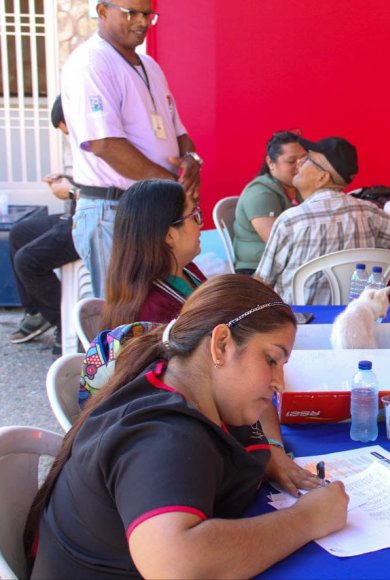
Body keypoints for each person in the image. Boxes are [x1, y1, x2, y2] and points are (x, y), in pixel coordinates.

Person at [26, 275, 349, 577]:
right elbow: (173, 563)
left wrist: (274, 450)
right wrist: (307, 519)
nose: (279, 382)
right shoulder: (165, 436)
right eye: (271, 360)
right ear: (220, 343)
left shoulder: (174, 371)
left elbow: (259, 405)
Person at [61, 0, 201, 298]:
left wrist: (192, 159)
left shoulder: (149, 65)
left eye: (148, 14)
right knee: (121, 314)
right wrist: (173, 187)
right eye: (131, 13)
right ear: (102, 11)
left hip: (153, 206)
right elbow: (105, 144)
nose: (142, 22)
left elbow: (179, 132)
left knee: (156, 308)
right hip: (113, 209)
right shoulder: (91, 62)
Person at [255, 136, 390, 304]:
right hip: (356, 316)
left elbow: (262, 282)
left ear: (322, 177)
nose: (299, 164)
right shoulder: (368, 212)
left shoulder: (291, 221)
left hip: (298, 321)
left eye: (307, 160)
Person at [8, 96, 79, 353]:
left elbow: (113, 192)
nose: (69, 136)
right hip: (76, 214)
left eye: (68, 129)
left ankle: (65, 323)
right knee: (20, 232)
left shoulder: (106, 139)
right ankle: (37, 310)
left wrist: (71, 192)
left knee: (29, 260)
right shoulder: (83, 143)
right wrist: (68, 180)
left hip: (95, 220)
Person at [102, 179, 206, 329]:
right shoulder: (154, 311)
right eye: (193, 216)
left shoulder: (188, 269)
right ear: (169, 236)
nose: (200, 224)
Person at [233, 131, 307, 274]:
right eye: (291, 161)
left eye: (304, 160)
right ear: (270, 162)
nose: (300, 166)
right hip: (258, 272)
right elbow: (279, 246)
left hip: (290, 266)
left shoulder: (299, 189)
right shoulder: (259, 193)